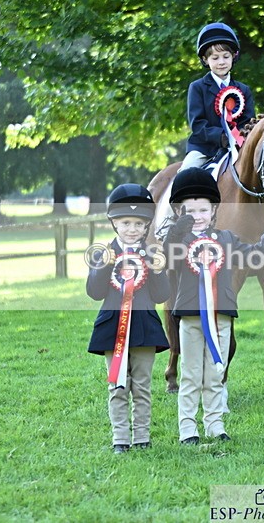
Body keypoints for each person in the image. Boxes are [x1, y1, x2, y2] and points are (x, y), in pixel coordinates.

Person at [163, 168, 264, 444]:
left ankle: (215, 424)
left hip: (221, 316)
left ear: (214, 212)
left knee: (215, 373)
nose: (197, 217)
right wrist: (174, 234)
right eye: (190, 211)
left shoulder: (227, 239)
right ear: (179, 213)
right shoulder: (180, 242)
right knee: (190, 375)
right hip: (190, 317)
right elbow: (169, 260)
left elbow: (255, 254)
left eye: (203, 210)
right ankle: (188, 428)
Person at [86, 183, 170, 453]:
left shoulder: (153, 254)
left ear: (146, 226)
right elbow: (94, 292)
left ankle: (142, 438)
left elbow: (161, 296)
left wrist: (158, 270)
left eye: (138, 223)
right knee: (118, 386)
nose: (132, 229)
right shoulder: (103, 253)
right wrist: (105, 265)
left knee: (143, 385)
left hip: (145, 328)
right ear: (114, 223)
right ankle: (120, 439)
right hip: (113, 330)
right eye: (125, 223)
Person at [180, 22, 255, 171]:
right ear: (205, 60)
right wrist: (222, 137)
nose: (221, 62)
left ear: (234, 56)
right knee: (186, 173)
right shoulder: (197, 87)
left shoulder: (244, 90)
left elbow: (249, 121)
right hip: (204, 148)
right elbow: (198, 124)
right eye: (215, 58)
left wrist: (238, 137)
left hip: (239, 146)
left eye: (226, 56)